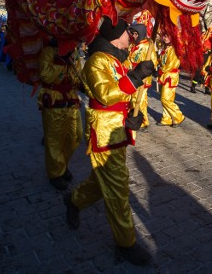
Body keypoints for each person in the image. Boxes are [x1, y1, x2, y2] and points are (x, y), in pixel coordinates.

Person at [63, 17, 154, 266]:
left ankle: (74, 200)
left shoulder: (115, 59)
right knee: (117, 189)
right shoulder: (96, 61)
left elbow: (123, 98)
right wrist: (135, 77)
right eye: (128, 32)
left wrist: (133, 120)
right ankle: (126, 243)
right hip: (103, 133)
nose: (132, 36)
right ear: (116, 35)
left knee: (102, 180)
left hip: (117, 130)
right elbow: (105, 95)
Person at [37, 40, 83, 190]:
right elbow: (46, 76)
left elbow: (77, 77)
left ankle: (62, 164)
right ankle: (55, 173)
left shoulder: (73, 52)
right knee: (54, 140)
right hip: (54, 99)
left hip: (71, 99)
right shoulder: (48, 52)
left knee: (76, 136)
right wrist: (59, 61)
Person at [125, 23, 157, 131]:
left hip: (142, 77)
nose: (134, 36)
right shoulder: (132, 45)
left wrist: (146, 69)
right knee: (133, 98)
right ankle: (134, 118)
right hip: (132, 75)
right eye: (132, 34)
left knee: (141, 100)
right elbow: (128, 59)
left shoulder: (148, 46)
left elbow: (153, 61)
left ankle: (143, 121)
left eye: (135, 33)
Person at [156, 33, 185, 127]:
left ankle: (178, 116)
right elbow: (162, 61)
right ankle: (166, 119)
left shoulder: (174, 49)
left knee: (166, 99)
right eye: (164, 36)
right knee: (165, 98)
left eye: (167, 35)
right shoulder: (166, 48)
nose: (165, 37)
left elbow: (171, 64)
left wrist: (161, 71)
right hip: (165, 75)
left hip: (170, 76)